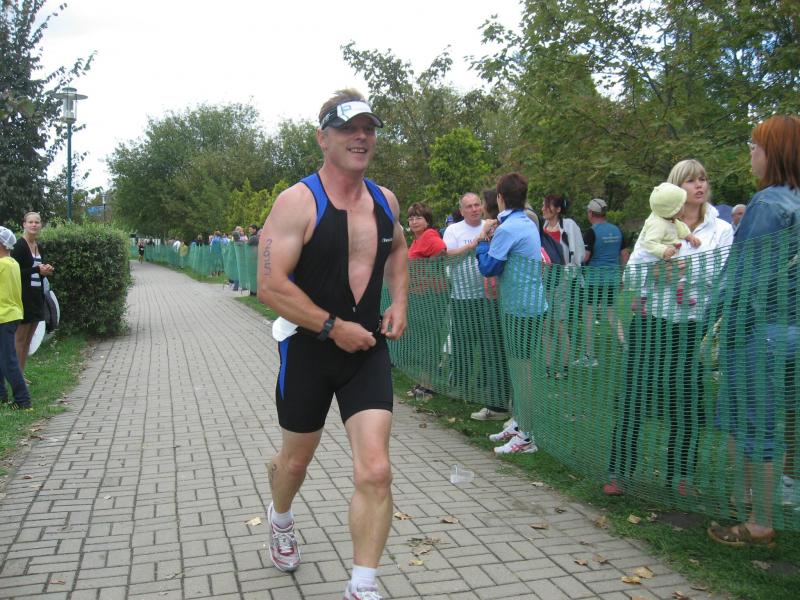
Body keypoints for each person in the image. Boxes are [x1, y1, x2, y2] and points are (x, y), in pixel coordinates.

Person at [257, 88, 407, 600]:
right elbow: (270, 285)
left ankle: (362, 586)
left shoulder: (385, 201)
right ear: (323, 138)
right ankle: (280, 518)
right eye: (348, 129)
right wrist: (331, 327)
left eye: (368, 129)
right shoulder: (297, 202)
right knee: (294, 463)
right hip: (308, 351)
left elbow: (399, 249)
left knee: (377, 469)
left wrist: (399, 301)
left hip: (366, 351)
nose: (361, 137)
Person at [605, 159, 733, 497]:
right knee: (635, 397)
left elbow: (718, 275)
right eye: (690, 180)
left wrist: (678, 269)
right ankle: (620, 471)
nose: (699, 185)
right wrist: (655, 273)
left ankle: (680, 475)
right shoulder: (654, 224)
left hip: (690, 326)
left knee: (686, 401)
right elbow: (632, 275)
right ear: (676, 187)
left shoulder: (720, 229)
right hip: (650, 323)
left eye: (703, 178)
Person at [708, 115, 799, 547]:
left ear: (774, 153)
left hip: (758, 331)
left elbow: (744, 277)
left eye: (756, 146)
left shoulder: (768, 204)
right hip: (789, 329)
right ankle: (744, 502)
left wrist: (710, 321)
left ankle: (759, 521)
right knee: (771, 420)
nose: (751, 153)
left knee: (755, 425)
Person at [476, 173, 548, 454]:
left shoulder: (509, 228)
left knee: (522, 371)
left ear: (500, 198)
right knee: (519, 369)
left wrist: (482, 241)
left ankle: (527, 436)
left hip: (523, 308)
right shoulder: (524, 221)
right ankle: (519, 421)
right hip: (527, 305)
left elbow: (489, 267)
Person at [443, 193, 511, 420]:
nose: (474, 209)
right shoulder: (454, 230)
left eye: (476, 205)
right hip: (462, 297)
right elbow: (447, 256)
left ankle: (485, 386)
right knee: (462, 344)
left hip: (487, 297)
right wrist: (473, 245)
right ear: (461, 210)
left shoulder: (490, 226)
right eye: (469, 206)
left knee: (489, 345)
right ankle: (460, 386)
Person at [540, 194, 584, 379]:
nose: (543, 209)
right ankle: (548, 366)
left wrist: (568, 273)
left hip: (561, 282)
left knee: (559, 325)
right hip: (544, 282)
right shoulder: (542, 228)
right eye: (543, 205)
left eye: (547, 205)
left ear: (558, 209)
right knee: (546, 326)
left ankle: (564, 367)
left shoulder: (569, 226)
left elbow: (578, 253)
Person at [406, 202, 447, 395]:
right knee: (421, 340)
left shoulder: (430, 236)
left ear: (427, 220)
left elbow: (442, 251)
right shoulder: (417, 240)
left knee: (428, 341)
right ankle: (422, 382)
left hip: (430, 298)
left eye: (418, 217)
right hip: (417, 297)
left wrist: (429, 274)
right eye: (411, 218)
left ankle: (428, 385)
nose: (414, 221)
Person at [577, 198, 624, 367]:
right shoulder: (617, 230)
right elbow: (624, 254)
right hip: (612, 278)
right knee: (611, 313)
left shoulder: (591, 232)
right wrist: (622, 276)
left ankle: (590, 356)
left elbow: (585, 257)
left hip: (594, 280)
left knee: (589, 316)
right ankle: (625, 344)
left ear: (591, 213)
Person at [11, 212, 54, 379]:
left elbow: (37, 273)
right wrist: (37, 269)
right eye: (30, 222)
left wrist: (45, 271)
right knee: (20, 340)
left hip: (37, 296)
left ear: (40, 225)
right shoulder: (19, 246)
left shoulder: (38, 246)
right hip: (23, 297)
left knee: (29, 340)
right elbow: (14, 273)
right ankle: (16, 378)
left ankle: (21, 375)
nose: (34, 225)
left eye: (37, 222)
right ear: (24, 224)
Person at [0, 227, 31, 409]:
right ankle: (1, 395)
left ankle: (23, 400)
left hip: (3, 316)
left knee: (8, 360)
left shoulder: (2, 265)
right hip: (12, 314)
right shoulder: (12, 263)